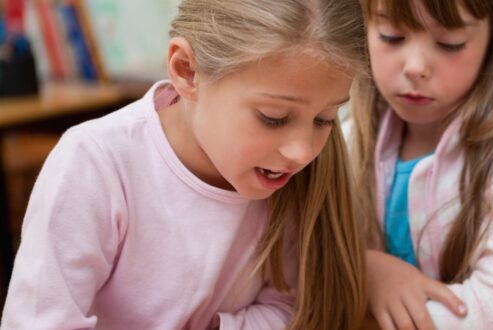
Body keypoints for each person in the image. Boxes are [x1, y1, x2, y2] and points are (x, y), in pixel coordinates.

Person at [1, 0, 368, 328]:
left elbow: (291, 305)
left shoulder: (292, 175)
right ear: (187, 71)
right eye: (273, 117)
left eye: (325, 119)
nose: (302, 152)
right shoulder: (94, 162)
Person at [348, 0, 493, 328]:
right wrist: (364, 268)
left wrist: (353, 299)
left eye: (449, 43)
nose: (415, 66)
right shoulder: (344, 136)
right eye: (391, 36)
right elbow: (295, 275)